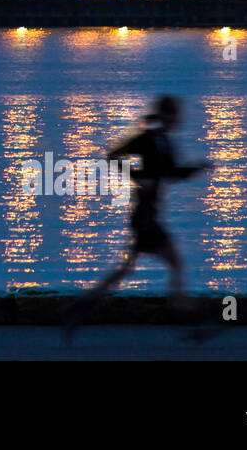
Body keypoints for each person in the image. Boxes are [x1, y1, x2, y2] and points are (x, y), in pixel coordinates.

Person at [63, 94, 210, 335]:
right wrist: (139, 178)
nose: (178, 119)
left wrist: (198, 168)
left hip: (148, 215)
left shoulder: (165, 141)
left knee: (127, 269)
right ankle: (188, 318)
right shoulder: (147, 139)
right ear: (165, 115)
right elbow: (112, 156)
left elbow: (171, 174)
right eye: (174, 114)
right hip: (144, 216)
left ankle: (79, 306)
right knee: (174, 262)